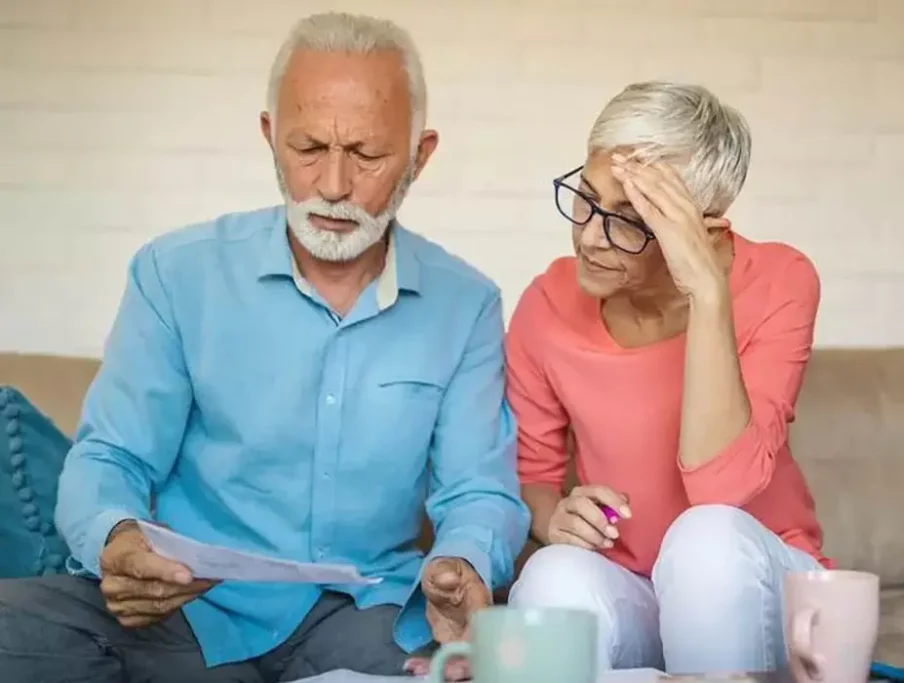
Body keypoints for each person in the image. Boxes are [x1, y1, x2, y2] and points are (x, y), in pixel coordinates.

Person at [0, 12, 529, 682]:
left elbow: (478, 489)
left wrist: (464, 560)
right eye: (307, 148)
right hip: (186, 612)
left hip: (362, 619)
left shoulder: (465, 304)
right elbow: (112, 456)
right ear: (269, 134)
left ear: (420, 156)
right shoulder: (175, 273)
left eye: (366, 155)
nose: (333, 185)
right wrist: (117, 535)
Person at [504, 81, 832, 675]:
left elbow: (721, 488)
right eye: (586, 199)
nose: (589, 236)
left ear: (704, 231)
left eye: (630, 221)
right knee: (552, 575)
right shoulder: (547, 304)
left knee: (705, 541)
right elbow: (534, 475)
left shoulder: (781, 280)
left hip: (756, 582)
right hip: (635, 586)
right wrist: (557, 518)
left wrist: (706, 291)